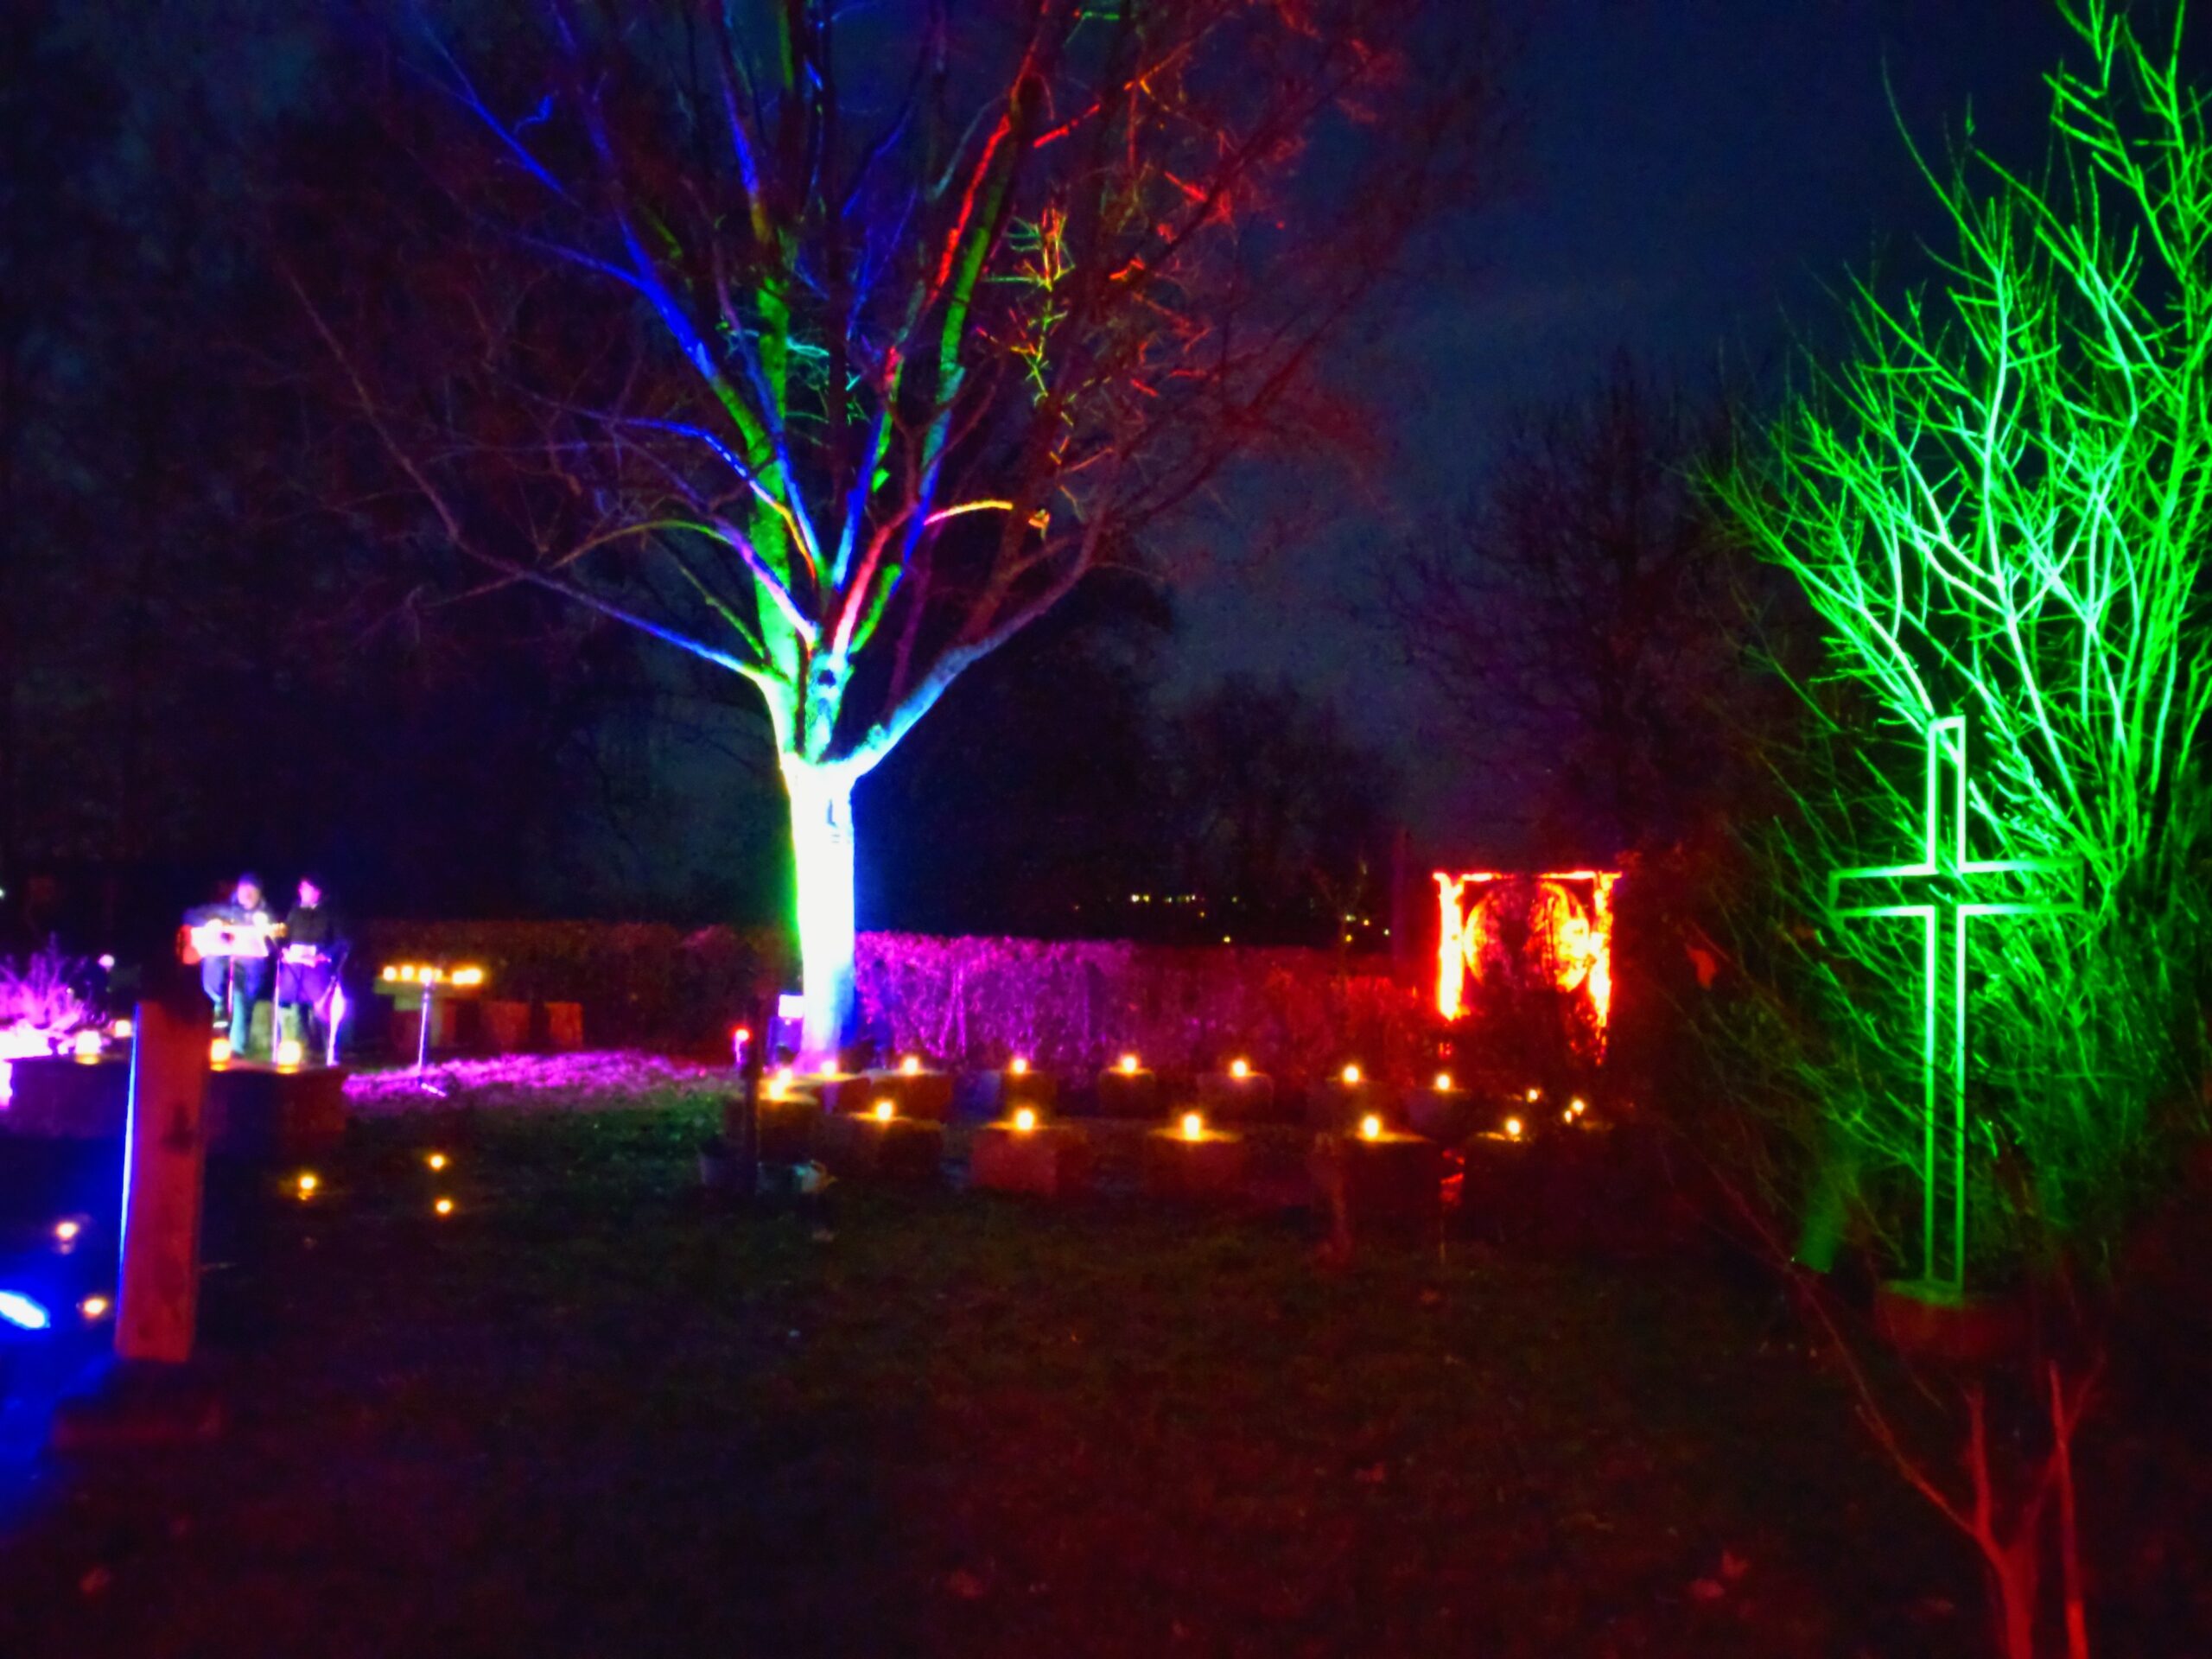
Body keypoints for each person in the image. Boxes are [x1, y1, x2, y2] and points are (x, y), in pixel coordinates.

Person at [183, 874, 278, 1056]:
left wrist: (267, 929)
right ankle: (217, 1006)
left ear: (259, 894)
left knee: (239, 996)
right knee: (213, 961)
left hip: (250, 969)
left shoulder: (266, 915)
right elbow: (189, 915)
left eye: (252, 891)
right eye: (244, 890)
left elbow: (276, 941)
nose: (247, 895)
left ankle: (236, 1049)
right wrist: (210, 922)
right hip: (225, 966)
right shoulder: (225, 909)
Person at [276, 875, 350, 1062]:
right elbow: (285, 935)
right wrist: (283, 950)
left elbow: (341, 941)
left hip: (318, 969)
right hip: (295, 968)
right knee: (296, 1008)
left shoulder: (330, 913)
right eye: (301, 888)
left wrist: (323, 956)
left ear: (317, 891)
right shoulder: (295, 912)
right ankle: (302, 1052)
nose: (302, 892)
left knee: (321, 1011)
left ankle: (330, 1052)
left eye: (307, 888)